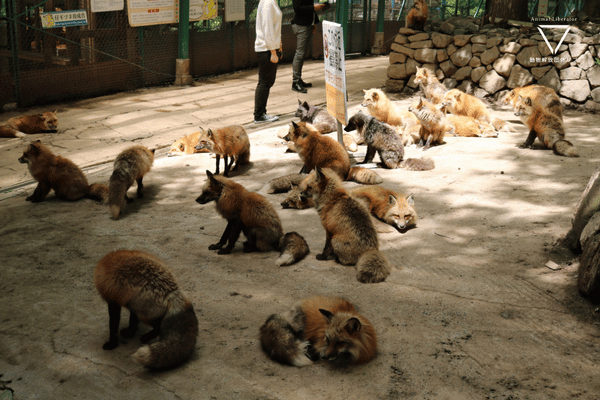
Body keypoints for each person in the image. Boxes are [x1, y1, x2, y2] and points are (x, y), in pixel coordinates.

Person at [291, 0, 330, 93]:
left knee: (302, 53)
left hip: (307, 24)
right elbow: (297, 8)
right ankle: (295, 82)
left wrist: (313, 23)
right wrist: (314, 7)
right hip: (301, 25)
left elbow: (307, 5)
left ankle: (298, 79)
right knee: (300, 53)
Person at [254, 0, 283, 123]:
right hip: (266, 48)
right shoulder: (268, 3)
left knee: (267, 82)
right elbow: (268, 29)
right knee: (265, 82)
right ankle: (259, 115)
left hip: (270, 47)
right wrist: (273, 51)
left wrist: (279, 45)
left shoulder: (271, 2)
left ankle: (261, 113)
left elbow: (275, 27)